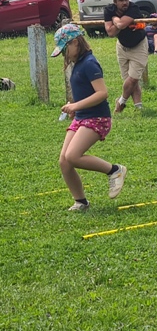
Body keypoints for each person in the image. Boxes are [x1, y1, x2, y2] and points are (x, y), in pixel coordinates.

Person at [51, 24, 127, 211]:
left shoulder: (89, 63)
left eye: (65, 50)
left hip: (97, 118)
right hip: (82, 117)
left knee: (73, 156)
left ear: (75, 43)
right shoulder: (78, 63)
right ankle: (81, 202)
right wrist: (75, 108)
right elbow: (85, 92)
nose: (64, 55)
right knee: (64, 161)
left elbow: (102, 93)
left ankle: (115, 170)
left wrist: (76, 106)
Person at [103, 0, 147, 113]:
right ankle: (138, 107)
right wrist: (118, 22)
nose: (124, 3)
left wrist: (114, 19)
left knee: (133, 78)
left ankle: (121, 102)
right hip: (122, 46)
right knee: (129, 79)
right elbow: (111, 33)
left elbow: (121, 25)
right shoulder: (109, 9)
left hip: (138, 45)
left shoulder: (133, 8)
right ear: (115, 1)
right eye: (121, 0)